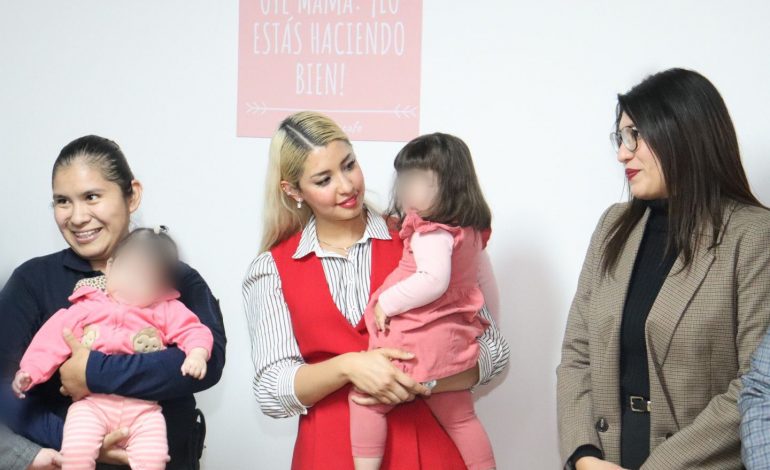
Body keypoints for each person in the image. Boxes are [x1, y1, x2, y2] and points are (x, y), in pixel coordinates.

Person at [243, 111, 509, 469]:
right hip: (328, 456)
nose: (347, 186)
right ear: (293, 191)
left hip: (429, 454)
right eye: (323, 179)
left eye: (349, 164)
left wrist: (426, 382)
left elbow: (494, 350)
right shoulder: (271, 269)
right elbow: (271, 390)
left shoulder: (424, 240)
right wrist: (350, 367)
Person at [556, 68, 770, 470]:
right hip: (605, 459)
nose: (623, 152)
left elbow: (755, 384)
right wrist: (584, 454)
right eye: (620, 137)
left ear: (682, 134)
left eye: (635, 135)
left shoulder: (754, 235)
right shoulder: (612, 226)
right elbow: (577, 355)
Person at [0, 135, 226, 470]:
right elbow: (4, 388)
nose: (76, 217)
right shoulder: (33, 280)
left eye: (91, 197)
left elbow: (206, 364)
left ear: (132, 195)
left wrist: (91, 372)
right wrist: (75, 438)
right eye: (62, 201)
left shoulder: (174, 277)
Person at [348, 133, 497, 470]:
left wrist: (387, 301)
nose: (406, 191)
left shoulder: (432, 232)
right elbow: (487, 295)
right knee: (461, 418)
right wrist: (476, 334)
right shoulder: (469, 233)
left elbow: (432, 280)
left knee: (365, 402)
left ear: (451, 185)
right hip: (452, 345)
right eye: (404, 181)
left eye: (418, 182)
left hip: (418, 343)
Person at [13, 227, 214, 470]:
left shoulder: (165, 310)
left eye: (143, 279)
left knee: (155, 457)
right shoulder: (86, 306)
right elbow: (51, 339)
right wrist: (31, 371)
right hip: (92, 406)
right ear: (110, 267)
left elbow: (195, 330)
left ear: (160, 288)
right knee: (76, 449)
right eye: (126, 271)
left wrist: (197, 353)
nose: (131, 283)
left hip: (144, 410)